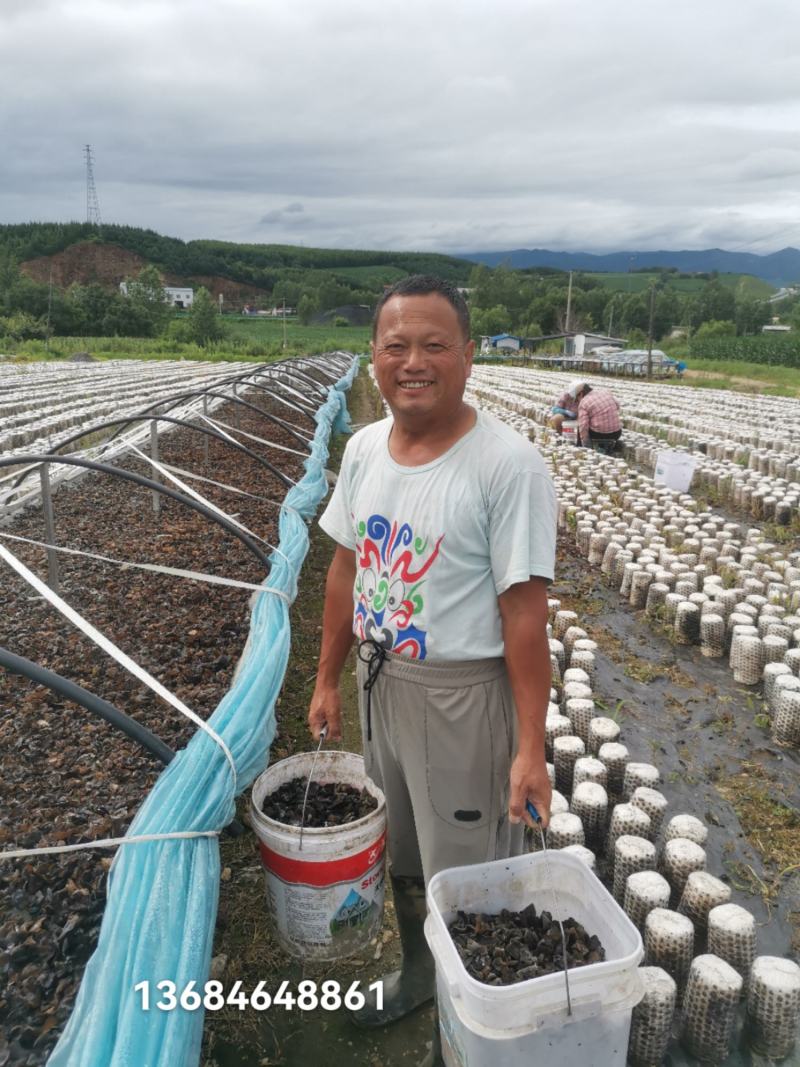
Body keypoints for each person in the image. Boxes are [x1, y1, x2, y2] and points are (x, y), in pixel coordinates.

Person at [307, 275, 557, 1066]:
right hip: (383, 684)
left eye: (434, 344)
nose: (413, 361)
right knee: (404, 852)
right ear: (373, 358)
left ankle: (468, 1026)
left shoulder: (506, 466)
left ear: (469, 356)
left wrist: (530, 744)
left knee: (467, 872)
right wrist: (324, 678)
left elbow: (524, 616)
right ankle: (421, 974)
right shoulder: (361, 450)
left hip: (462, 698)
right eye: (396, 345)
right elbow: (346, 570)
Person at [574, 382, 622, 453]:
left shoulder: (584, 402)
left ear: (581, 394)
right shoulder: (605, 393)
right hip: (617, 433)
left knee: (580, 424)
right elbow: (617, 406)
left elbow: (583, 426)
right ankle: (612, 445)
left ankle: (581, 449)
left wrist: (586, 444)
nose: (578, 401)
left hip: (599, 435)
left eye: (577, 399)